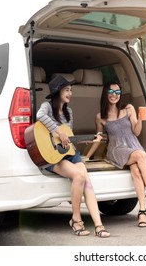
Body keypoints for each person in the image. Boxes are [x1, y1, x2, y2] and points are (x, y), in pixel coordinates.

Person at [36, 74, 110, 238]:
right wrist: (59, 132)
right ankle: (76, 220)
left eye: (71, 90)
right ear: (57, 92)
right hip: (52, 155)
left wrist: (88, 140)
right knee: (78, 175)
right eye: (67, 90)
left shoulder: (69, 111)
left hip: (69, 153)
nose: (70, 93)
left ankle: (99, 225)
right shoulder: (46, 107)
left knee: (86, 179)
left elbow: (68, 137)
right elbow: (39, 117)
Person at [85, 82, 146, 228]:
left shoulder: (128, 109)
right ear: (105, 93)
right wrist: (87, 156)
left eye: (117, 92)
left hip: (133, 145)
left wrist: (141, 118)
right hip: (116, 150)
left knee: (136, 171)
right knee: (141, 155)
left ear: (120, 94)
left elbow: (136, 132)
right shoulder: (100, 117)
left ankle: (142, 212)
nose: (114, 95)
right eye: (111, 91)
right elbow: (98, 138)